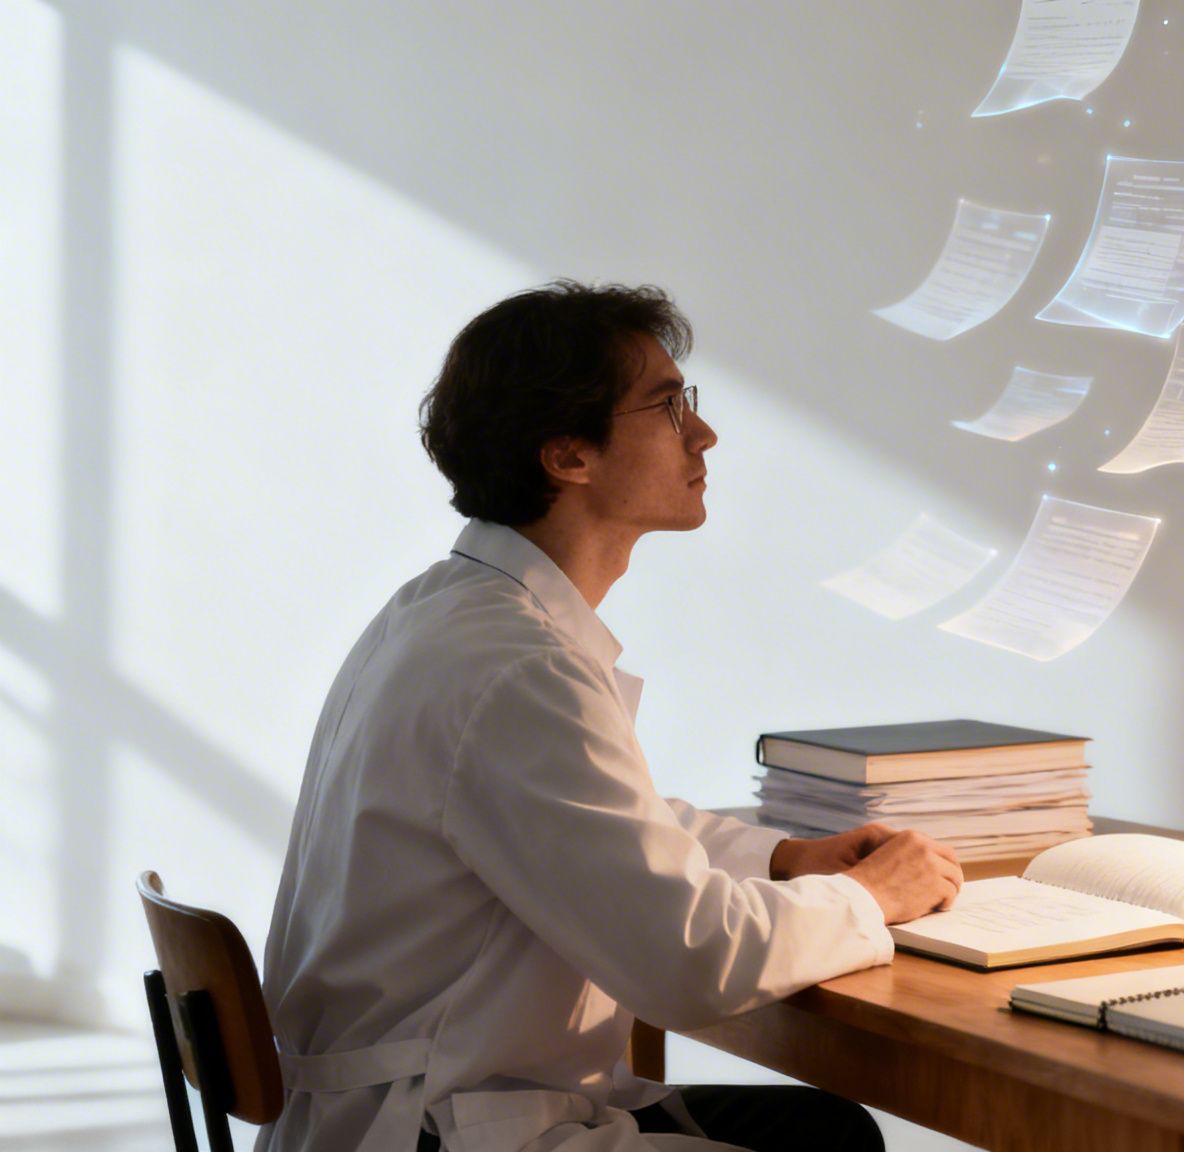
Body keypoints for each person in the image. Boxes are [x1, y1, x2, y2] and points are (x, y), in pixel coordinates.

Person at [256, 281, 963, 1152]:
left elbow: (593, 824)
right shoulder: (515, 667)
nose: (703, 434)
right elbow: (690, 961)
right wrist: (865, 897)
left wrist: (783, 857)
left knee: (828, 1130)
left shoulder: (448, 611)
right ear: (568, 457)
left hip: (447, 1096)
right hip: (436, 1129)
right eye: (669, 408)